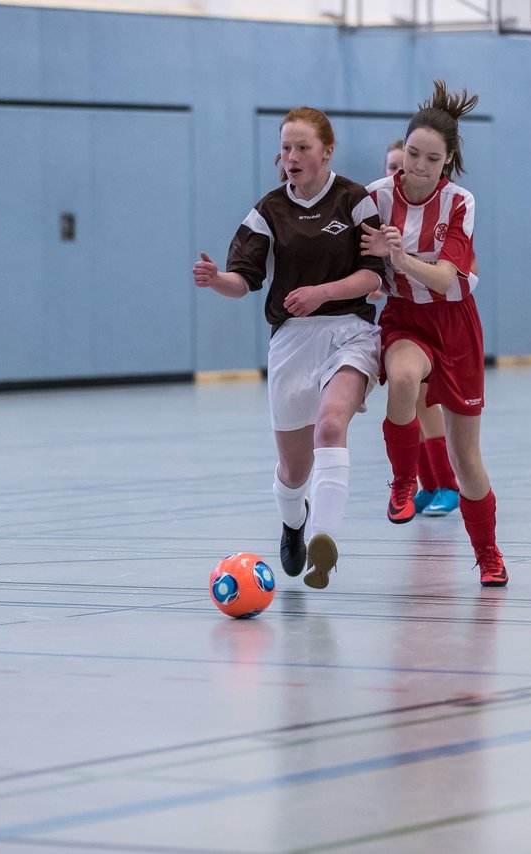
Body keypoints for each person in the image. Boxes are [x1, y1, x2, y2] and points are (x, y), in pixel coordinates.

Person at [193, 107, 383, 590]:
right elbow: (245, 281)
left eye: (302, 147)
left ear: (326, 151)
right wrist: (218, 280)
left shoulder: (355, 200)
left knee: (331, 424)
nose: (292, 157)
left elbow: (373, 277)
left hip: (351, 330)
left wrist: (322, 293)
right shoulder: (269, 210)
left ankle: (324, 538)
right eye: (285, 148)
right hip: (292, 341)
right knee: (294, 469)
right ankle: (294, 521)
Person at [361, 82, 508, 587]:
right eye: (412, 154)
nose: (418, 166)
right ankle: (404, 482)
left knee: (466, 459)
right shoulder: (375, 198)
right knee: (402, 379)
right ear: (401, 150)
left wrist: (400, 259)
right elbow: (358, 261)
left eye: (431, 159)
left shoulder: (460, 203)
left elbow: (448, 280)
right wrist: (375, 275)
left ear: (447, 162)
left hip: (456, 326)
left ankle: (488, 553)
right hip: (405, 319)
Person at [383, 138, 462, 519]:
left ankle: (447, 483)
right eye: (392, 166)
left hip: (442, 324)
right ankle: (426, 484)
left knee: (428, 408)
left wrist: (408, 265)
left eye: (415, 160)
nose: (403, 171)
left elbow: (460, 276)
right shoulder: (382, 210)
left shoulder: (448, 216)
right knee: (408, 401)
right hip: (402, 320)